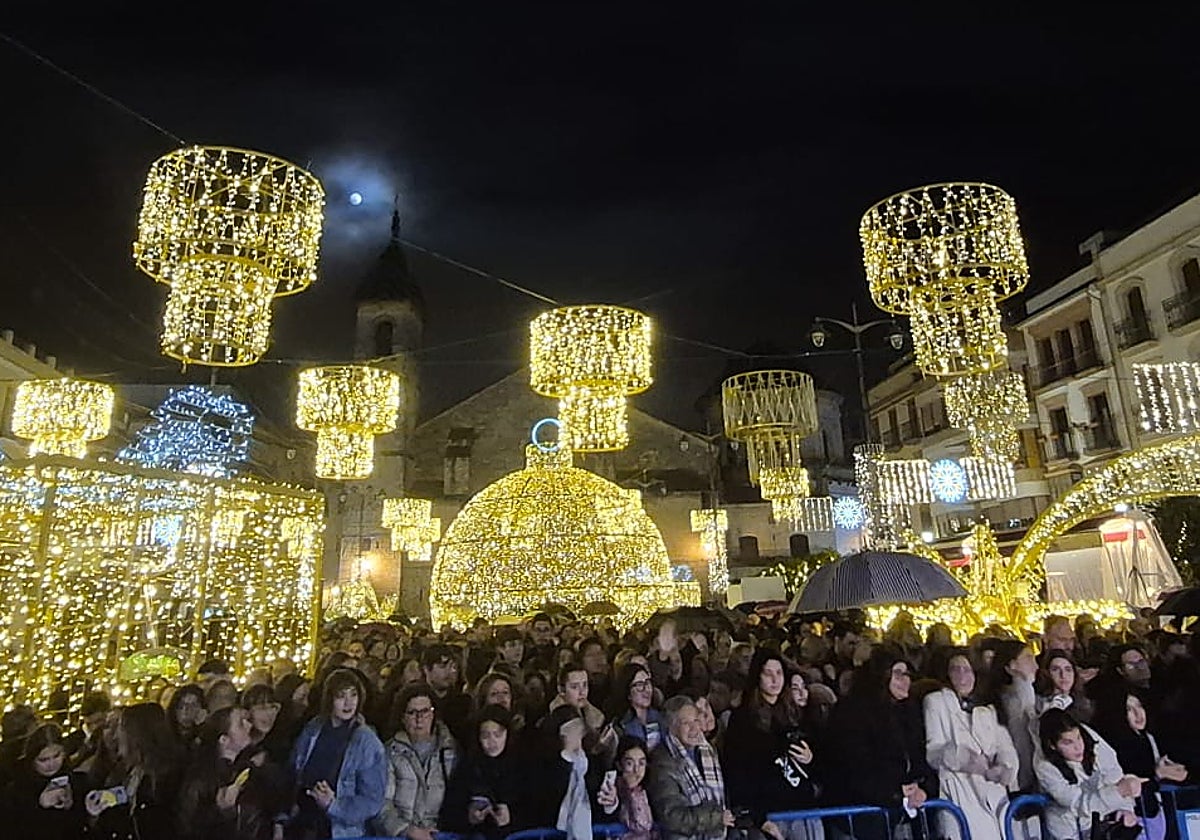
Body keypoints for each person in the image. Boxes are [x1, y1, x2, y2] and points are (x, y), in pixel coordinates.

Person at [826, 646, 935, 840]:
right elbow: (853, 766)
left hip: (901, 817)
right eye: (898, 674)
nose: (905, 681)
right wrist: (893, 790)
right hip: (863, 819)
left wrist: (923, 788)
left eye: (907, 674)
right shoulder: (852, 713)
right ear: (882, 676)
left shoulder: (909, 712)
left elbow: (919, 757)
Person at [723, 648, 821, 840]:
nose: (775, 680)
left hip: (802, 809)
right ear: (757, 677)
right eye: (768, 674)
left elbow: (819, 757)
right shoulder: (742, 719)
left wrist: (811, 758)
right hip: (768, 816)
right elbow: (738, 771)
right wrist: (759, 817)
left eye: (779, 673)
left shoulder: (794, 713)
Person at [923, 648, 1017, 840]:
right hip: (958, 793)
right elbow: (933, 752)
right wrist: (967, 759)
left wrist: (1004, 768)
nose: (961, 676)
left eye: (966, 670)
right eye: (955, 669)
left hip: (993, 793)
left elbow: (1005, 745)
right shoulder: (936, 702)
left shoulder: (987, 709)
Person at [286, 668, 387, 839]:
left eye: (353, 695)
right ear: (330, 699)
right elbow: (293, 770)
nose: (348, 703)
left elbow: (372, 800)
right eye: (341, 696)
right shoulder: (314, 728)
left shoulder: (367, 742)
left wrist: (333, 805)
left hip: (340, 831)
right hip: (303, 822)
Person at [1035, 708, 1144, 840]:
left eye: (1078, 738)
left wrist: (1125, 808)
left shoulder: (1091, 739)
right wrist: (1118, 792)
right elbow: (1078, 804)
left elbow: (1114, 775)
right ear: (1052, 745)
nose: (1078, 747)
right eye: (1068, 742)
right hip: (1069, 832)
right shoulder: (1045, 768)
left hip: (1104, 825)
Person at [1091, 690, 1186, 840]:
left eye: (1139, 706)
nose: (1138, 713)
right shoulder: (1113, 746)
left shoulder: (1149, 738)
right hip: (1131, 817)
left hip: (1154, 811)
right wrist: (1158, 774)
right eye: (1129, 709)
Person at [178, 706, 280, 840]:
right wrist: (221, 811)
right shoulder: (202, 779)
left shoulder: (248, 766)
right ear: (224, 740)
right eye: (240, 723)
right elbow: (186, 827)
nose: (248, 725)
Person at [89, 702, 183, 840]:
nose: (116, 736)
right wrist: (95, 814)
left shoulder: (168, 779)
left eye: (121, 728)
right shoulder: (123, 773)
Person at [378, 684, 459, 840]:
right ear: (402, 717)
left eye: (425, 712)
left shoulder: (450, 752)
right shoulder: (389, 752)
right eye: (412, 712)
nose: (419, 718)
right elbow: (382, 804)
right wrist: (407, 830)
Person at [647, 695, 732, 840]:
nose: (694, 728)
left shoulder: (708, 751)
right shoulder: (663, 761)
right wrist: (716, 818)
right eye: (686, 723)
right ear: (672, 727)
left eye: (696, 721)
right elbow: (672, 816)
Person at [440, 704, 525, 839]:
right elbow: (449, 813)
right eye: (486, 736)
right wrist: (469, 817)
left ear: (508, 733)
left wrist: (512, 817)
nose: (492, 742)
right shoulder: (468, 767)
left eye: (498, 734)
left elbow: (538, 810)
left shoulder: (523, 765)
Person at [1, 723, 86, 840]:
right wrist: (38, 807)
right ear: (32, 759)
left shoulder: (77, 782)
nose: (51, 764)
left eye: (56, 756)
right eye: (43, 760)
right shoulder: (15, 792)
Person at [983, 640, 1039, 791]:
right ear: (1011, 666)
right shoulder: (1017, 698)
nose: (1035, 665)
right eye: (1028, 658)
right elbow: (1022, 745)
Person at [597, 735, 656, 840]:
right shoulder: (611, 789)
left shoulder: (649, 790)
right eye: (630, 763)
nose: (636, 770)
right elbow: (641, 825)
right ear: (619, 765)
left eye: (641, 763)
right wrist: (630, 793)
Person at [421, 645, 472, 746]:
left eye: (453, 667)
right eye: (442, 666)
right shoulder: (414, 701)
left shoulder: (463, 703)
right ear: (426, 669)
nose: (450, 672)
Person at [609, 663, 664, 751]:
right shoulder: (620, 726)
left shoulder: (660, 716)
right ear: (628, 693)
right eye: (639, 685)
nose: (646, 689)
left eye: (647, 683)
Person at [168, 684, 208, 752]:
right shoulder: (165, 735)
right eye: (182, 705)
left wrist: (201, 728)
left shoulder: (207, 734)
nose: (185, 710)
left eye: (193, 705)